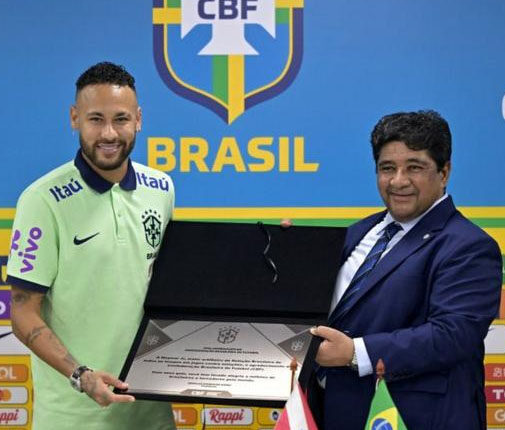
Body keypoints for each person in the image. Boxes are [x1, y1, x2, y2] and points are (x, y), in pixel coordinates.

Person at [7, 62, 176, 429]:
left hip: (151, 414)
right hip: (73, 418)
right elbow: (22, 312)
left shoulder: (161, 188)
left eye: (121, 119)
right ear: (75, 118)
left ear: (139, 119)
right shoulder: (42, 199)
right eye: (96, 119)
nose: (109, 133)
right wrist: (81, 376)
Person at [309, 110, 502, 429]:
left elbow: (453, 335)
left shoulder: (469, 246)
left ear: (444, 172)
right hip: (332, 412)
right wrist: (289, 256)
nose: (398, 181)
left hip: (414, 420)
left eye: (414, 167)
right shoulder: (358, 233)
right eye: (387, 168)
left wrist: (356, 352)